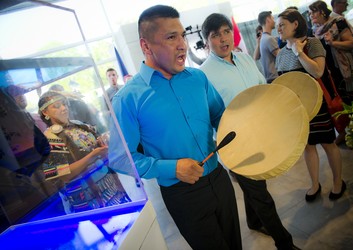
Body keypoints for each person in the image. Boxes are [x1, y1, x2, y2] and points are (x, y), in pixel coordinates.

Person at [109, 5, 242, 250]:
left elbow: (220, 118)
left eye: (182, 35)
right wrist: (171, 168)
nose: (183, 44)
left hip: (219, 178)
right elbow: (120, 158)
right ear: (146, 46)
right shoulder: (128, 98)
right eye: (171, 37)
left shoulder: (198, 78)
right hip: (183, 195)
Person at [199, 13, 299, 250]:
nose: (223, 39)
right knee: (260, 194)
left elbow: (262, 89)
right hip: (236, 146)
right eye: (215, 35)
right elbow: (206, 117)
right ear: (207, 42)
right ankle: (285, 243)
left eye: (226, 32)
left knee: (255, 187)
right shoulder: (202, 75)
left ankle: (254, 221)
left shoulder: (244, 58)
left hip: (259, 134)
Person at [275, 9, 346, 202]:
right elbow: (283, 84)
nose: (278, 29)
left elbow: (318, 72)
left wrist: (299, 53)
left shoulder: (312, 43)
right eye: (277, 26)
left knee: (328, 143)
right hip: (297, 110)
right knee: (308, 146)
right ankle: (315, 184)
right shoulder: (281, 54)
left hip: (317, 104)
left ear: (295, 24)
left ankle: (338, 181)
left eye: (282, 25)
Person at [38, 90, 131, 214]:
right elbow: (63, 175)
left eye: (64, 104)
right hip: (86, 196)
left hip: (108, 184)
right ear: (45, 112)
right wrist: (93, 155)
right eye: (56, 106)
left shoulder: (79, 125)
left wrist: (102, 144)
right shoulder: (50, 137)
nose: (63, 108)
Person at [308, 0, 353, 144]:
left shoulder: (338, 22)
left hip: (343, 70)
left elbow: (351, 43)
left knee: (349, 100)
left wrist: (333, 43)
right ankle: (344, 131)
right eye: (310, 13)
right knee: (338, 102)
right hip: (328, 73)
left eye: (313, 12)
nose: (311, 15)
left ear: (322, 11)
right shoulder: (315, 31)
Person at [258, 11, 280, 83]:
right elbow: (281, 56)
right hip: (275, 78)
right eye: (273, 19)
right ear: (268, 20)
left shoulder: (263, 38)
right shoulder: (269, 39)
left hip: (270, 78)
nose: (274, 21)